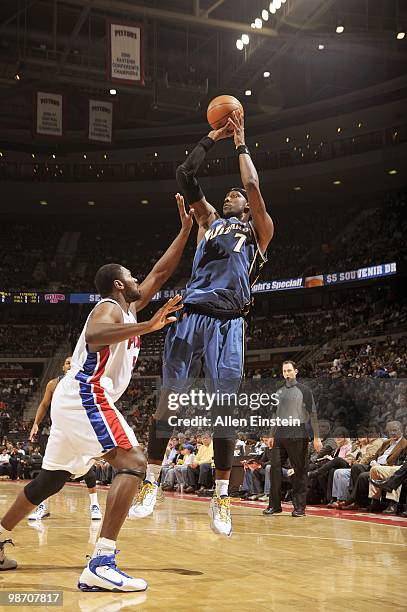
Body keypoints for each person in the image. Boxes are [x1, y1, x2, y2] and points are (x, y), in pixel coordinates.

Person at [0, 196, 193, 592]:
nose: (144, 280)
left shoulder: (130, 308)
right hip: (87, 393)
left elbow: (161, 269)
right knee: (134, 460)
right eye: (133, 277)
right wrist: (149, 328)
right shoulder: (109, 307)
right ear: (120, 284)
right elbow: (95, 337)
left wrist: (186, 231)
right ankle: (101, 561)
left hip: (74, 401)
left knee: (48, 482)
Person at [130, 110, 274, 537]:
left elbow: (251, 183)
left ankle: (222, 495)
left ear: (247, 207)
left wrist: (240, 142)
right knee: (167, 402)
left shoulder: (259, 231)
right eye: (226, 194)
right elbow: (185, 175)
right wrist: (211, 138)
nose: (231, 194)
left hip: (229, 323)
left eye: (237, 196)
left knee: (224, 411)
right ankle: (151, 482)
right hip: (190, 314)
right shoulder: (208, 222)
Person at [28, 356, 102, 521]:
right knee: (49, 471)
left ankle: (94, 505)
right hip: (60, 431)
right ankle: (43, 506)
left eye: (74, 363)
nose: (70, 365)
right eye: (68, 362)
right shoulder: (54, 384)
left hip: (80, 430)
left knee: (88, 469)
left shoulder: (85, 382)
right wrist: (36, 424)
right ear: (63, 367)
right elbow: (44, 404)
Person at [263, 361, 322, 517]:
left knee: (300, 471)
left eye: (289, 370)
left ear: (296, 372)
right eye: (284, 371)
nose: (287, 373)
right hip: (280, 434)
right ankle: (274, 505)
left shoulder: (305, 390)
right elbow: (275, 415)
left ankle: (299, 507)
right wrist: (271, 435)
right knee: (274, 468)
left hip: (298, 433)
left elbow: (313, 414)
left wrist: (316, 437)